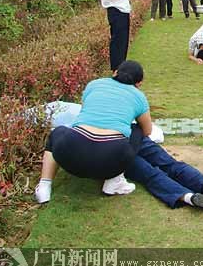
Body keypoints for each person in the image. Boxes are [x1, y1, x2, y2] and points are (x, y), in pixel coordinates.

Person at [34, 61, 151, 204]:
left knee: (58, 132)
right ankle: (114, 181)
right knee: (137, 130)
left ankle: (45, 186)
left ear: (115, 73)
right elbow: (148, 130)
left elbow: (83, 109)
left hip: (69, 157)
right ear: (139, 83)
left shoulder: (94, 84)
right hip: (109, 164)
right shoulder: (139, 96)